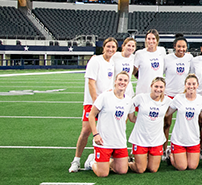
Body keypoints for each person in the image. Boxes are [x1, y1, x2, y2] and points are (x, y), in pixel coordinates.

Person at [68, 37, 117, 173]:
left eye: (113, 47)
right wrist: (97, 103)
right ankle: (76, 161)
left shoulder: (111, 63)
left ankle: (95, 158)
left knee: (105, 132)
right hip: (92, 103)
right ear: (103, 47)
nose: (110, 49)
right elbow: (91, 82)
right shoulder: (95, 60)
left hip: (106, 104)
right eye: (108, 47)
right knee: (86, 131)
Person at [84, 71, 132, 177]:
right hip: (103, 141)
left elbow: (131, 118)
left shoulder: (128, 100)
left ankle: (106, 162)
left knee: (122, 170)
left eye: (125, 80)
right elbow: (91, 115)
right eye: (120, 79)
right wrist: (96, 134)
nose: (122, 82)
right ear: (115, 81)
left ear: (128, 83)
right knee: (103, 174)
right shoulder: (105, 96)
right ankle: (91, 162)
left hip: (119, 141)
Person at [128, 77, 172, 173]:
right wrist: (133, 117)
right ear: (151, 86)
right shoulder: (141, 97)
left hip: (156, 140)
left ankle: (144, 159)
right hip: (140, 139)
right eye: (156, 86)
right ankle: (127, 163)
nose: (158, 89)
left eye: (161, 87)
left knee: (153, 169)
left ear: (164, 88)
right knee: (140, 169)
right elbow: (128, 104)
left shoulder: (167, 101)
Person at [166, 74, 202, 171]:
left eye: (193, 84)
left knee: (192, 167)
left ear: (197, 85)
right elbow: (167, 113)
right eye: (188, 84)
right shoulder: (178, 98)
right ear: (185, 85)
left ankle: (182, 155)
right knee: (182, 167)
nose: (191, 86)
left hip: (193, 139)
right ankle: (170, 155)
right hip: (179, 139)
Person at [134, 29, 166, 95]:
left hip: (157, 91)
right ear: (146, 40)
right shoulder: (140, 53)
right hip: (143, 91)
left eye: (153, 39)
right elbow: (134, 71)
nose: (151, 41)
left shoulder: (162, 51)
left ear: (157, 40)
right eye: (149, 39)